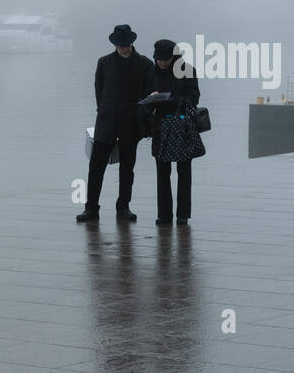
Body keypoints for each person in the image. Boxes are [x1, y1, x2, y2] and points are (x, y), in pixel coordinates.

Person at [77, 24, 151, 223]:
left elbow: (148, 92)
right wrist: (103, 110)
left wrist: (140, 114)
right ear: (115, 44)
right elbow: (98, 89)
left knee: (127, 167)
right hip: (106, 120)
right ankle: (91, 209)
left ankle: (123, 208)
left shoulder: (144, 64)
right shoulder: (104, 62)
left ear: (132, 43)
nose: (124, 48)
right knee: (96, 166)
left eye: (126, 44)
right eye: (120, 45)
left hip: (131, 122)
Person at [141, 38, 201, 226]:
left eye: (165, 59)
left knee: (184, 171)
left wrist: (169, 100)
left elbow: (194, 98)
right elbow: (145, 97)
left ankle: (183, 215)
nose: (162, 63)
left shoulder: (188, 70)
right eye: (159, 59)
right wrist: (149, 102)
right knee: (162, 172)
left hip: (183, 125)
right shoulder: (151, 71)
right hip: (160, 126)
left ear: (174, 57)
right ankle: (164, 215)